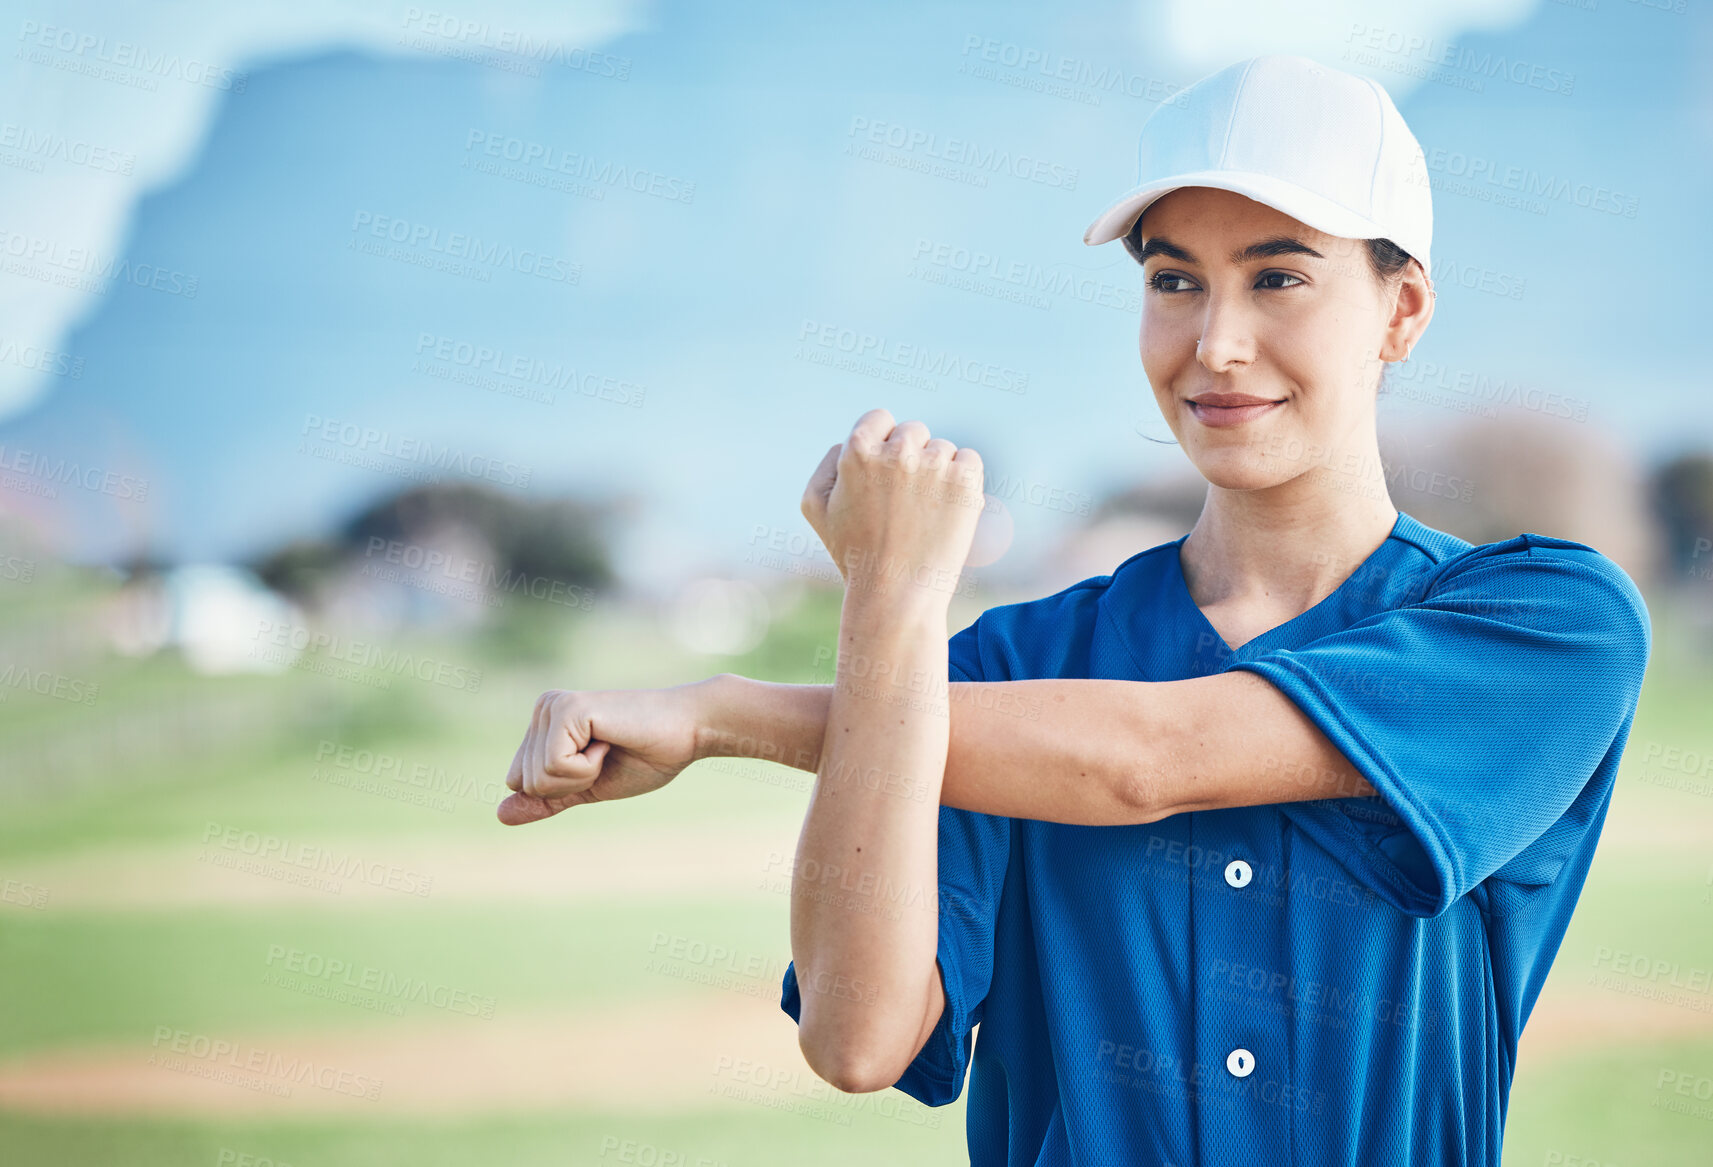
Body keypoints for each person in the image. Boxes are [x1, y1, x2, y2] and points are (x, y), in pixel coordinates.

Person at [498, 54, 1651, 1166]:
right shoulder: (1006, 666)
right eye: (1173, 280)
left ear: (1402, 311)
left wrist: (729, 715)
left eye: (1278, 276)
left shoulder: (1546, 625)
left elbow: (1152, 761)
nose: (1216, 343)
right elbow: (856, 1040)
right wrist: (888, 601)